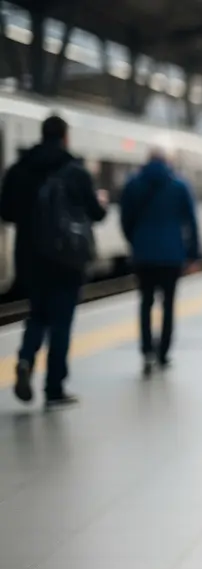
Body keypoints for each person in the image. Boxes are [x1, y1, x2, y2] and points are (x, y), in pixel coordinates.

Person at [0, 115, 108, 408]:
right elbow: (97, 215)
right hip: (67, 258)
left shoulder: (19, 169)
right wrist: (100, 202)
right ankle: (54, 388)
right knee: (61, 323)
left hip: (30, 258)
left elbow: (6, 212)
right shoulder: (76, 171)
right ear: (65, 137)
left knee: (38, 315)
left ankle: (25, 360)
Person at [120, 148, 200, 376]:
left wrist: (135, 241)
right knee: (168, 304)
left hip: (143, 255)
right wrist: (193, 253)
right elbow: (191, 222)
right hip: (171, 256)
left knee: (145, 303)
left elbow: (125, 219)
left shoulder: (133, 185)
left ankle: (146, 351)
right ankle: (163, 352)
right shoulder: (179, 186)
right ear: (167, 163)